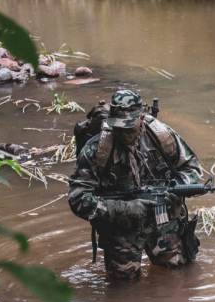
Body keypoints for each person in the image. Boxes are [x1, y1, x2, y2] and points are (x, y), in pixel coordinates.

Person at [68, 90, 202, 280]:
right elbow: (78, 198)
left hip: (163, 221)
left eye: (129, 127)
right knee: (122, 285)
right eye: (118, 127)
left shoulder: (162, 137)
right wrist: (125, 208)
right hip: (120, 228)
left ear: (141, 118)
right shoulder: (97, 149)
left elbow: (192, 167)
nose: (123, 134)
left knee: (177, 274)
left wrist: (178, 186)